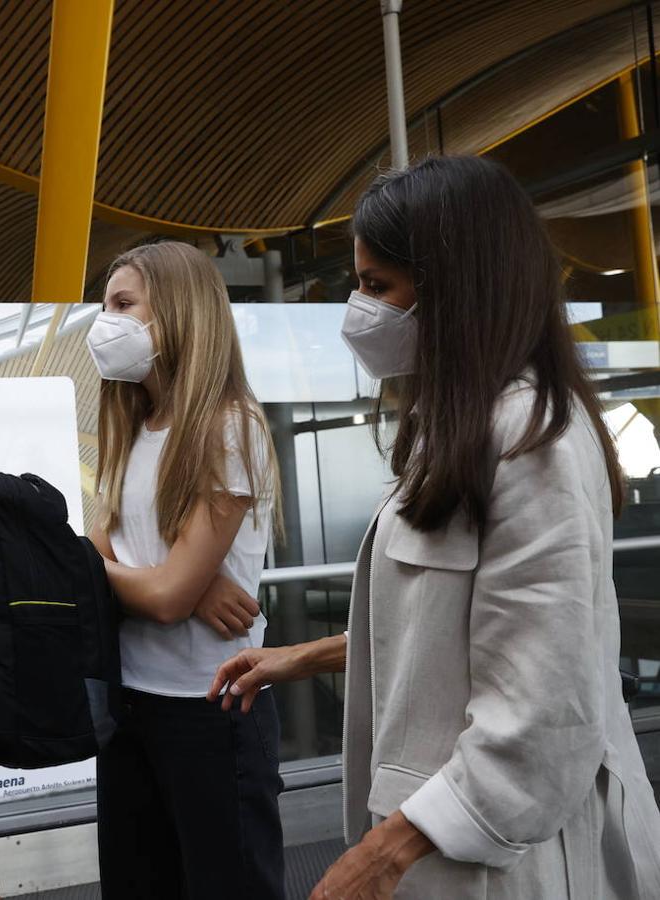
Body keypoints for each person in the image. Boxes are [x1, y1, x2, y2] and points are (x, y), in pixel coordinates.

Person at [211, 155, 660, 899]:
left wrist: (382, 854)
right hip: (452, 849)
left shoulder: (529, 441)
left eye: (377, 285)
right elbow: (451, 630)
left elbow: (546, 710)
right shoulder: (461, 428)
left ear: (459, 291)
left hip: (508, 862)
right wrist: (301, 657)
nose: (361, 309)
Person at [85, 241, 286, 899]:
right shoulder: (130, 425)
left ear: (177, 311)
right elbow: (99, 557)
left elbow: (161, 592)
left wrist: (175, 582)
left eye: (122, 303)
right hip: (131, 704)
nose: (105, 320)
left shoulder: (229, 427)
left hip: (213, 707)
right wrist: (177, 578)